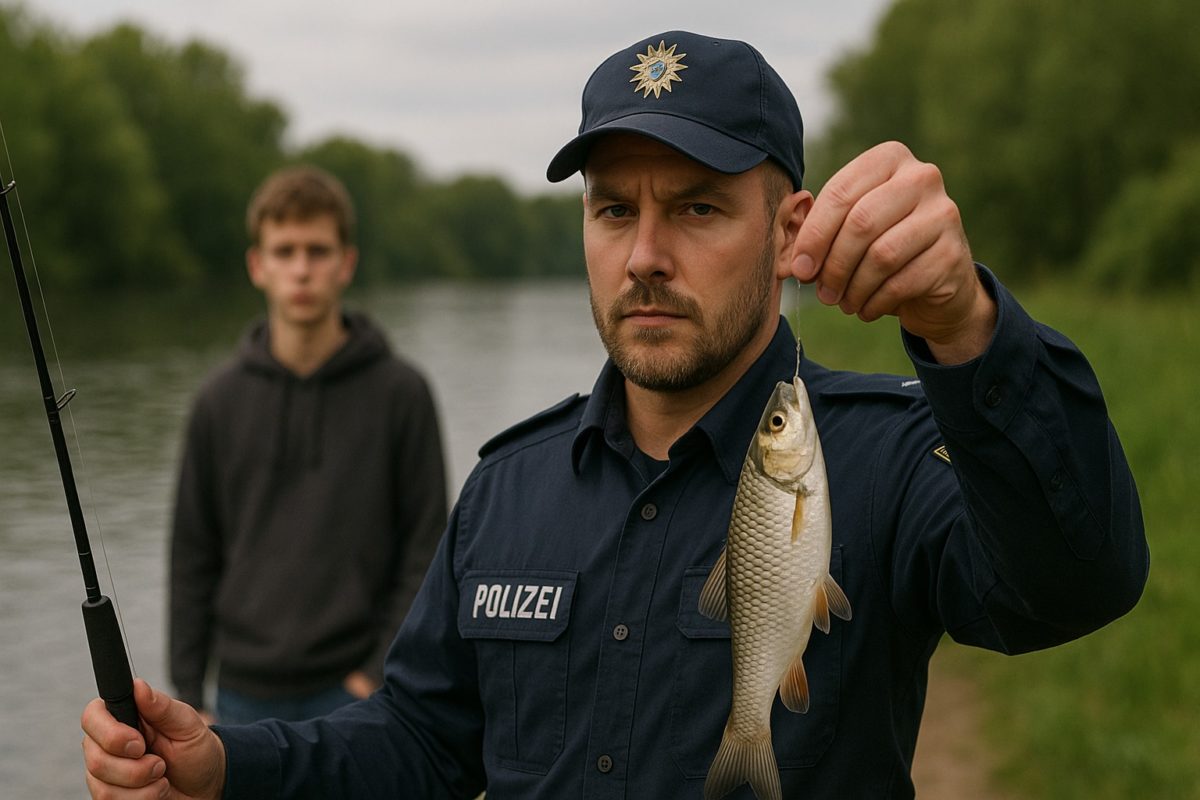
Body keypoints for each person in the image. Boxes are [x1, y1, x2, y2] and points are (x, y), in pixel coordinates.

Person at [82, 31, 1147, 799]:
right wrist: (227, 763)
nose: (644, 253)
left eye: (694, 207)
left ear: (790, 232)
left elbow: (1076, 579)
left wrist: (967, 324)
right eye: (612, 209)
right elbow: (417, 739)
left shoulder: (885, 450)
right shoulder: (509, 483)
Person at [167, 165, 448, 725]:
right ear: (258, 266)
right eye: (285, 250)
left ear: (346, 263)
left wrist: (374, 672)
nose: (301, 269)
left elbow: (428, 549)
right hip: (241, 692)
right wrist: (189, 695)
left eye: (317, 251)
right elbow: (192, 556)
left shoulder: (401, 392)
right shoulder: (217, 401)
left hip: (356, 691)